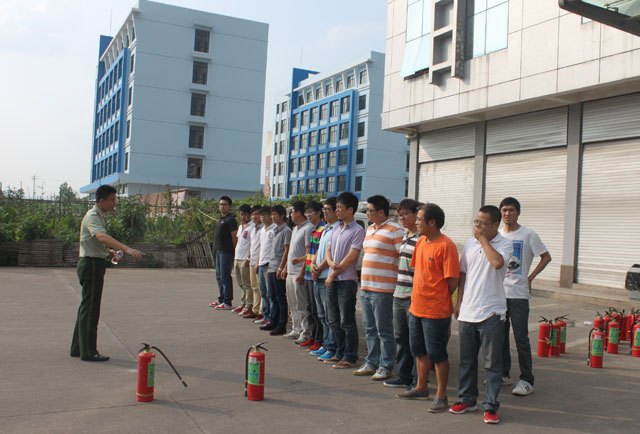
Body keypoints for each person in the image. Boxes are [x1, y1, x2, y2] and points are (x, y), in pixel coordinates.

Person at [449, 205, 513, 425]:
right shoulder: (469, 243)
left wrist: (484, 240)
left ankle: (490, 406)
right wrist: (459, 302)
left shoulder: (505, 244)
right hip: (468, 311)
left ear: (496, 225)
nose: (478, 226)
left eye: (484, 223)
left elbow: (497, 263)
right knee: (466, 361)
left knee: (492, 364)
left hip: (491, 313)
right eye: (477, 222)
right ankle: (467, 399)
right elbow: (463, 275)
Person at [397, 204, 459, 414]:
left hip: (436, 311)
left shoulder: (446, 246)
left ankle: (441, 395)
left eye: (419, 219)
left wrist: (437, 297)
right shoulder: (421, 242)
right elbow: (419, 271)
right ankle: (421, 387)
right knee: (419, 350)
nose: (416, 222)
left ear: (432, 222)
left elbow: (452, 280)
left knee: (437, 354)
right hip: (416, 307)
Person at [70, 184, 143, 362]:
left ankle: (78, 348)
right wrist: (126, 249)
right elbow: (101, 237)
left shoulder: (99, 216)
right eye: (112, 200)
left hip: (93, 263)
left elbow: (95, 242)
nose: (114, 204)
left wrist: (109, 252)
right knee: (91, 309)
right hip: (91, 265)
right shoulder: (93, 216)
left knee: (86, 307)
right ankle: (89, 352)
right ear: (101, 201)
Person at [499, 197, 551, 396]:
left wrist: (530, 277)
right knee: (500, 337)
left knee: (521, 338)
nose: (507, 214)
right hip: (499, 295)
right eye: (504, 210)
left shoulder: (528, 234)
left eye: (511, 210)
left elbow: (546, 256)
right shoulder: (498, 234)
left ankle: (527, 379)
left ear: (518, 212)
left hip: (519, 295)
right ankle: (503, 373)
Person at [355, 195, 405, 381]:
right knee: (370, 328)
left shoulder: (395, 230)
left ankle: (386, 366)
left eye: (370, 210)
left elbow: (402, 259)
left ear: (381, 212)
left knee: (384, 330)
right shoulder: (369, 229)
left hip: (384, 288)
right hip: (366, 286)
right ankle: (371, 362)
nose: (367, 213)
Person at [384, 198, 422, 389]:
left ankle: (418, 379)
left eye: (406, 214)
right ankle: (403, 375)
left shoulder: (422, 239)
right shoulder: (406, 236)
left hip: (413, 296)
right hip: (399, 294)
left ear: (416, 215)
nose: (402, 218)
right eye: (400, 215)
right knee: (400, 338)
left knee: (415, 340)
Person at [325, 192, 365, 369]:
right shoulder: (336, 228)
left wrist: (332, 274)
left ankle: (350, 356)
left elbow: (351, 256)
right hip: (332, 278)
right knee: (333, 319)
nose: (337, 211)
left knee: (346, 320)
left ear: (350, 209)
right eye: (336, 208)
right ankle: (338, 352)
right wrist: (329, 262)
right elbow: (329, 250)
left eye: (340, 208)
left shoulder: (358, 230)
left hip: (346, 280)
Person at [311, 197, 339, 362]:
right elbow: (319, 250)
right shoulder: (326, 229)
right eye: (324, 209)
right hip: (318, 275)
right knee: (321, 314)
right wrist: (313, 264)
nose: (325, 212)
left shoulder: (336, 229)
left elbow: (331, 253)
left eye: (328, 209)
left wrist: (319, 268)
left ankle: (331, 346)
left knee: (329, 316)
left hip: (326, 275)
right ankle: (325, 343)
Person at [283, 202, 313, 344]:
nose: (291, 215)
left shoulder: (308, 228)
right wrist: (285, 268)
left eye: (292, 212)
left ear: (299, 213)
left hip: (299, 272)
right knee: (292, 303)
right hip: (290, 271)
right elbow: (291, 251)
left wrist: (302, 273)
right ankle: (296, 329)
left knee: (302, 304)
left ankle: (305, 332)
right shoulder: (295, 228)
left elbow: (308, 253)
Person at [260, 205, 291, 335]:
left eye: (275, 215)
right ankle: (272, 321)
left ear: (282, 215)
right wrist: (270, 268)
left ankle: (281, 324)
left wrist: (280, 268)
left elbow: (286, 251)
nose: (272, 217)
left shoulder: (286, 231)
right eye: (271, 214)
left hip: (278, 268)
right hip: (271, 267)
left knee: (280, 298)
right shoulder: (275, 230)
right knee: (271, 296)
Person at [302, 200, 326, 352]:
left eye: (310, 212)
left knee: (318, 311)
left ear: (318, 213)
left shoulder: (323, 229)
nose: (308, 215)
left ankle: (319, 339)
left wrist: (315, 270)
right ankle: (312, 336)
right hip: (307, 273)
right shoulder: (312, 229)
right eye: (306, 212)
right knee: (309, 308)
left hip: (316, 274)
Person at [211, 196, 238, 310]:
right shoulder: (221, 219)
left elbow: (234, 237)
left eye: (225, 204)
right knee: (219, 276)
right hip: (219, 252)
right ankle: (221, 299)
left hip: (227, 252)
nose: (222, 206)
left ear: (229, 206)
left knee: (225, 277)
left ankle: (227, 301)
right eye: (221, 204)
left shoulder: (230, 220)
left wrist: (235, 252)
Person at [254, 206, 275, 325]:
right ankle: (265, 316)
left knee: (270, 293)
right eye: (261, 215)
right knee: (263, 292)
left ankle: (271, 318)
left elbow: (275, 250)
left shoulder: (274, 229)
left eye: (265, 215)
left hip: (269, 264)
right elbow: (261, 247)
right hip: (261, 263)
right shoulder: (262, 230)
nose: (262, 217)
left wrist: (271, 266)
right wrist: (257, 263)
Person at [232, 204, 254, 316]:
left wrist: (249, 257)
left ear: (249, 215)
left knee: (247, 283)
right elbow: (238, 242)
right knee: (240, 283)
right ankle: (243, 302)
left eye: (244, 214)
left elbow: (252, 244)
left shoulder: (252, 227)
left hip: (245, 258)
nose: (242, 217)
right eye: (241, 214)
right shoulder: (240, 227)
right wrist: (235, 257)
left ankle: (249, 305)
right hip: (238, 257)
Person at [243, 205, 263, 319]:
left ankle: (261, 311)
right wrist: (249, 258)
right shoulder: (252, 229)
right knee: (254, 287)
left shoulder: (264, 229)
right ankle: (255, 309)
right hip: (252, 261)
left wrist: (258, 262)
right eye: (253, 214)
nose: (255, 216)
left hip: (260, 262)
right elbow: (252, 245)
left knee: (261, 288)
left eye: (257, 214)